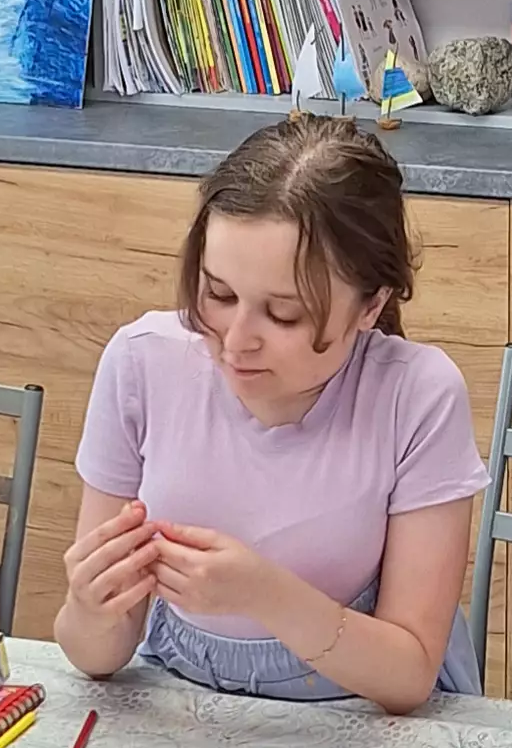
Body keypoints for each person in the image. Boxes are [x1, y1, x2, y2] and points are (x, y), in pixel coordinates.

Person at [53, 116, 488, 712]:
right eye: (218, 294)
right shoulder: (142, 361)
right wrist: (89, 609)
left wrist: (266, 595)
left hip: (360, 717)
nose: (236, 341)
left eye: (284, 315)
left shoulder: (416, 395)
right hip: (184, 707)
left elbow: (408, 674)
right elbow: (96, 655)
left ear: (372, 304)